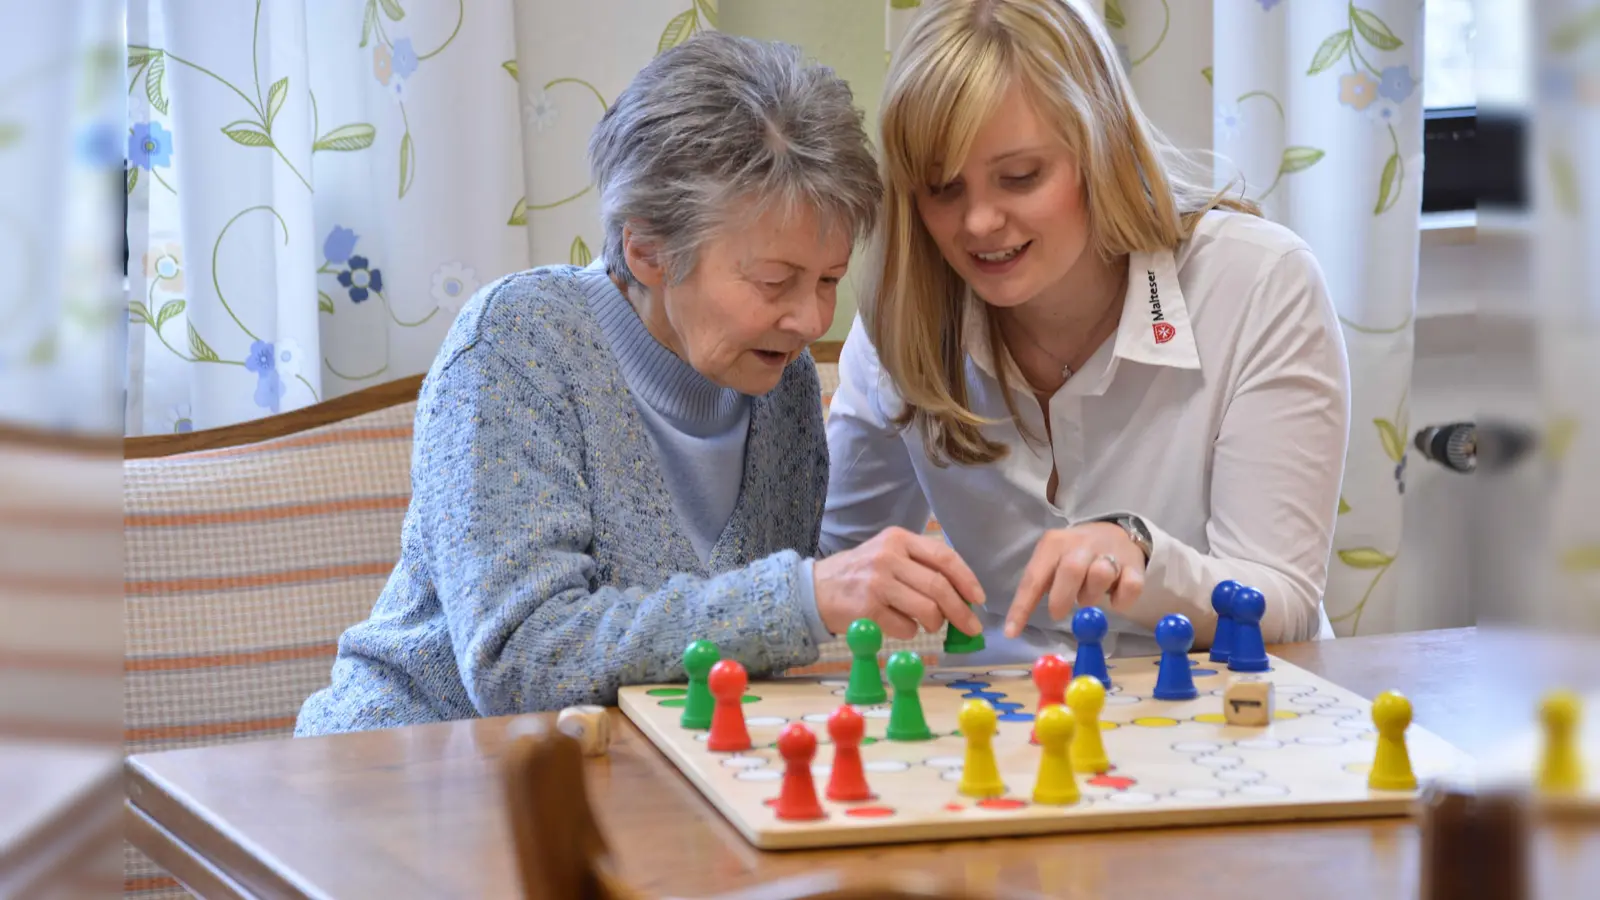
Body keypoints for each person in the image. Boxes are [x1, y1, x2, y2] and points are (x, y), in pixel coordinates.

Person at [296, 33, 986, 736]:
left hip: (629, 782)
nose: (810, 319)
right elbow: (520, 663)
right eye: (775, 281)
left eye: (830, 281)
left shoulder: (783, 385)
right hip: (409, 769)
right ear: (646, 250)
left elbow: (731, 665)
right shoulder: (517, 345)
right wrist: (801, 598)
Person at [821, 0, 1350, 662]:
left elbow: (1287, 603)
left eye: (1021, 177)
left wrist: (1139, 551)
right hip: (1009, 731)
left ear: (1100, 146)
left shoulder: (1260, 283)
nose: (980, 222)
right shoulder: (904, 322)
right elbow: (830, 564)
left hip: (1225, 713)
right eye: (943, 189)